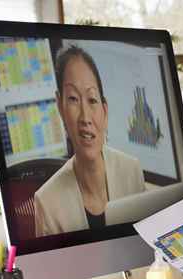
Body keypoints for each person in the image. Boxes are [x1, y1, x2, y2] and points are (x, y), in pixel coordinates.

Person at [34, 45, 145, 237]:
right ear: (60, 107)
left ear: (105, 110)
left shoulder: (131, 171)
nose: (85, 117)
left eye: (92, 100)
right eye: (73, 99)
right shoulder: (47, 202)